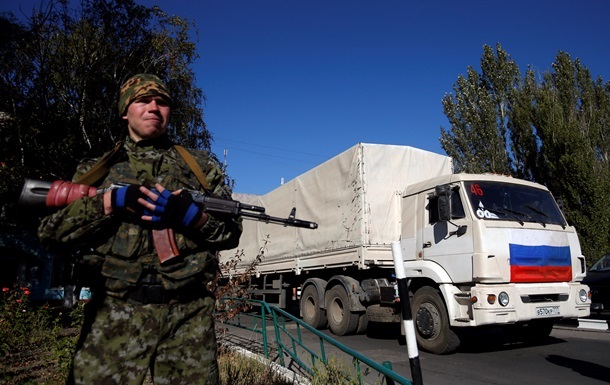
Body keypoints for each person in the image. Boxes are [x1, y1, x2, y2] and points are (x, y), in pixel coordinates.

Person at [38, 73, 242, 385]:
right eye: (143, 100)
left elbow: (231, 233)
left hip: (188, 316)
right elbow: (51, 234)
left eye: (162, 102)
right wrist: (109, 201)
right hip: (115, 312)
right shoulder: (99, 168)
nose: (153, 107)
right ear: (125, 110)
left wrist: (191, 217)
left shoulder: (199, 167)